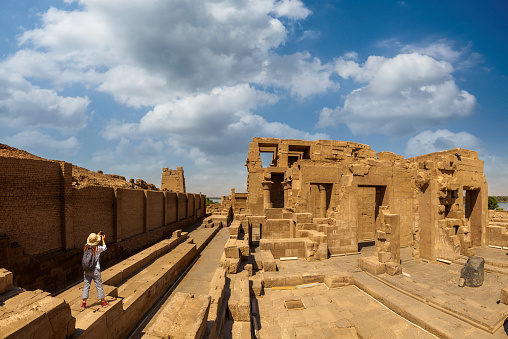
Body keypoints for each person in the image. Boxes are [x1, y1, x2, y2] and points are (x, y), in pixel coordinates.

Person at [81, 232, 109, 309]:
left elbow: (91, 241)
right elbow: (105, 247)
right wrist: (103, 239)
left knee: (86, 285)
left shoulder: (85, 247)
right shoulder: (98, 248)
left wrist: (96, 236)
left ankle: (83, 303)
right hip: (95, 270)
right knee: (99, 285)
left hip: (87, 270)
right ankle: (103, 302)